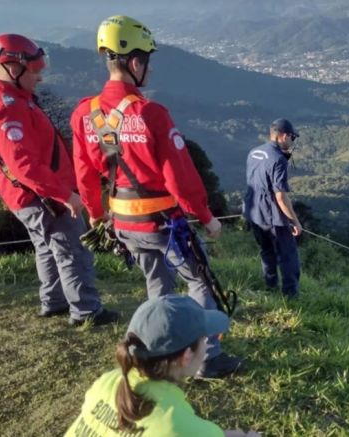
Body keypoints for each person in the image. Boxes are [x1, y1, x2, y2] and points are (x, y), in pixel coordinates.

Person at [70, 15, 241, 378]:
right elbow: (181, 177)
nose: (148, 67)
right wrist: (207, 217)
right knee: (198, 279)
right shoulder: (151, 114)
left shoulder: (85, 113)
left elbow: (84, 173)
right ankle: (208, 355)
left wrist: (97, 216)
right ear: (135, 62)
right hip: (162, 222)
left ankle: (158, 349)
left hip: (122, 222)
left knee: (157, 282)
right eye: (146, 59)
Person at [0, 33, 118, 326]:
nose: (39, 78)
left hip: (29, 196)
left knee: (46, 247)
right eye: (35, 71)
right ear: (13, 69)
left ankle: (53, 301)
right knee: (72, 250)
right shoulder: (9, 106)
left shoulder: (17, 99)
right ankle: (86, 311)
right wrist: (65, 195)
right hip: (44, 197)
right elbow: (23, 164)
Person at [65, 295, 260, 437]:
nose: (208, 344)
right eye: (206, 339)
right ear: (186, 356)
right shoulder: (173, 422)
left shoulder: (109, 381)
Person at [243, 119, 302, 298]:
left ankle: (270, 285)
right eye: (292, 137)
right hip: (273, 216)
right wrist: (294, 221)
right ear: (284, 136)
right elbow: (281, 197)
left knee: (266, 250)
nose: (292, 140)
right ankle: (291, 295)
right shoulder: (278, 160)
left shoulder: (254, 152)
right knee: (288, 254)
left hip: (253, 212)